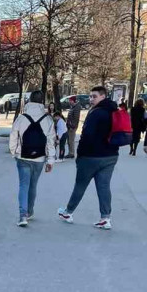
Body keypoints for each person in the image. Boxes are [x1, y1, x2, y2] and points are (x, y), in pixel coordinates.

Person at [58, 86, 120, 230]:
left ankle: (68, 212)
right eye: (90, 96)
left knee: (80, 185)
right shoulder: (114, 111)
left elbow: (87, 135)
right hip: (110, 155)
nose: (91, 99)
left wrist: (80, 154)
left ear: (103, 96)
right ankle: (105, 218)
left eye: (94, 96)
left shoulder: (95, 113)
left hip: (91, 156)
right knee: (104, 187)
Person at [8, 90, 57, 227]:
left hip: (23, 157)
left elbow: (13, 136)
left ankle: (22, 216)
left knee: (23, 186)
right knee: (33, 185)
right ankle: (30, 211)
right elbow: (51, 141)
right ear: (42, 102)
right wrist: (50, 160)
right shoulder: (47, 119)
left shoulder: (21, 118)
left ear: (29, 101)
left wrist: (14, 152)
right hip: (39, 158)